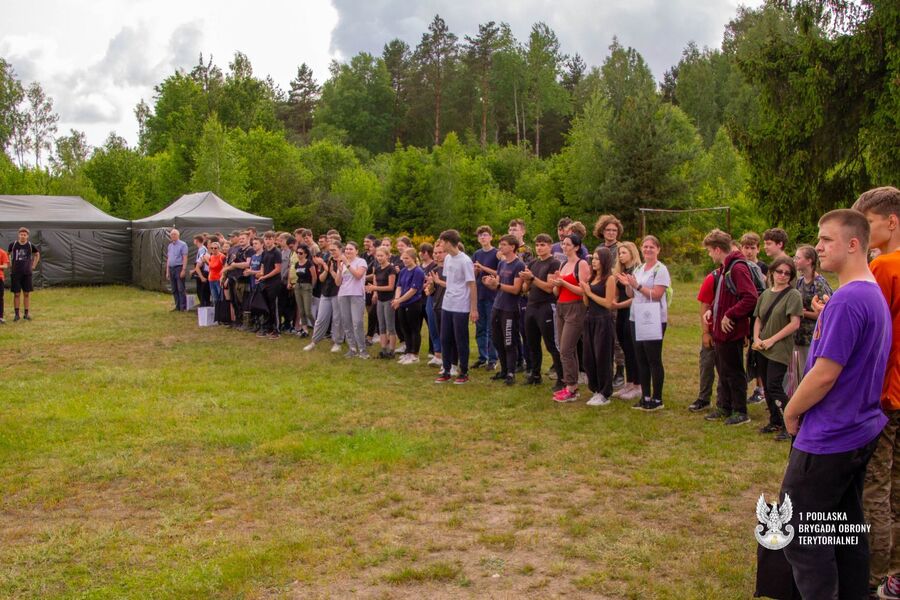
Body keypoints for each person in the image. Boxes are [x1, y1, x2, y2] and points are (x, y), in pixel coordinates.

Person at [779, 208, 889, 599]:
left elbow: (825, 374)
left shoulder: (847, 300)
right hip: (859, 429)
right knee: (842, 528)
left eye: (826, 239)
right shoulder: (870, 293)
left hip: (831, 436)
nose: (818, 246)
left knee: (801, 536)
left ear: (853, 244)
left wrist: (791, 410)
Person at [851, 186, 900, 597]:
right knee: (896, 485)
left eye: (867, 224)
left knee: (875, 487)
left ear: (891, 222)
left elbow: (870, 331)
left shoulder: (885, 266)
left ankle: (872, 575)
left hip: (885, 392)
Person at [702, 229, 758, 424]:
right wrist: (714, 311)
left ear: (718, 249)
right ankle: (724, 406)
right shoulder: (726, 267)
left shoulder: (737, 267)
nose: (709, 255)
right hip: (721, 331)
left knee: (734, 372)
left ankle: (740, 411)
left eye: (709, 250)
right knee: (723, 371)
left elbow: (751, 297)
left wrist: (730, 314)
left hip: (731, 331)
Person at [617, 236, 671, 411]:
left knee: (653, 357)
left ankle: (657, 398)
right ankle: (645, 395)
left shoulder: (660, 269)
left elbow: (656, 294)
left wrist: (637, 286)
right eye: (645, 247)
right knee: (640, 357)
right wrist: (628, 285)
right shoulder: (639, 268)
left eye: (651, 247)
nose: (648, 250)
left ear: (658, 249)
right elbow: (631, 295)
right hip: (636, 316)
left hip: (653, 318)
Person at [752, 256, 803, 441]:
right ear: (772, 272)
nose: (782, 276)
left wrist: (772, 340)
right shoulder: (765, 294)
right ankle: (774, 421)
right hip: (762, 346)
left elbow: (794, 323)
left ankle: (790, 423)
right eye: (779, 271)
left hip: (779, 348)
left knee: (774, 385)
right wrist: (757, 337)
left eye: (787, 273)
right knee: (766, 385)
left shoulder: (793, 295)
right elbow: (757, 318)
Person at [549, 234, 591, 401]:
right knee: (564, 348)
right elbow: (556, 291)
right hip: (561, 306)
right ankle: (570, 385)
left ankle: (571, 387)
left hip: (575, 307)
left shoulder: (581, 264)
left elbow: (583, 290)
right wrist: (556, 284)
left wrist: (564, 283)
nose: (564, 247)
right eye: (563, 244)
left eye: (568, 244)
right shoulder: (563, 263)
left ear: (576, 247)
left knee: (566, 348)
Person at [434, 229, 478, 384]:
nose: (439, 246)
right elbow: (450, 282)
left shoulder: (465, 260)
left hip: (461, 305)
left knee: (461, 339)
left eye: (441, 242)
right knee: (445, 338)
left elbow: (472, 285)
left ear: (447, 242)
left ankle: (463, 372)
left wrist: (473, 309)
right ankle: (446, 370)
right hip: (447, 304)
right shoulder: (447, 259)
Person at [521, 233, 563, 389]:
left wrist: (532, 278)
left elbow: (549, 288)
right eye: (537, 245)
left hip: (546, 306)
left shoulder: (554, 263)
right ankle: (535, 374)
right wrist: (526, 280)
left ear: (550, 246)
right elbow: (525, 289)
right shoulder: (533, 263)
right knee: (532, 342)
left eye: (542, 245)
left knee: (551, 343)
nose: (539, 248)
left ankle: (561, 378)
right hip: (531, 305)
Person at [483, 234, 526, 386]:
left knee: (509, 341)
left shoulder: (518, 265)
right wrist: (490, 283)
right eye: (500, 244)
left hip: (510, 309)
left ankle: (511, 372)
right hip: (497, 306)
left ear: (512, 247)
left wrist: (498, 285)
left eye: (503, 244)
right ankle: (503, 369)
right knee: (497, 340)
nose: (500, 247)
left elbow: (516, 289)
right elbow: (499, 285)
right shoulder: (502, 264)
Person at [581, 246, 617, 406]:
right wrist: (584, 291)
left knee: (602, 356)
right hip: (590, 319)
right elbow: (586, 303)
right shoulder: (591, 277)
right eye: (593, 258)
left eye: (596, 258)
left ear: (604, 260)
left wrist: (589, 293)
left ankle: (605, 392)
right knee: (589, 357)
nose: (593, 261)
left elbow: (608, 303)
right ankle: (595, 388)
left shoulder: (609, 279)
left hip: (603, 320)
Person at [594, 215, 627, 388]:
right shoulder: (599, 248)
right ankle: (605, 368)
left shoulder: (620, 248)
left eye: (614, 230)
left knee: (615, 337)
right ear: (602, 231)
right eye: (608, 230)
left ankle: (620, 371)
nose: (611, 233)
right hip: (599, 295)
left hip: (616, 295)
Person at [792, 245, 831, 378]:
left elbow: (824, 313)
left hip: (812, 337)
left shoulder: (819, 284)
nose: (795, 260)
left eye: (798, 258)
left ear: (809, 261)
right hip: (799, 336)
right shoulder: (800, 281)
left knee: (809, 374)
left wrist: (802, 313)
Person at [612, 242, 642, 401]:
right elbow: (617, 292)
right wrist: (614, 302)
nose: (621, 255)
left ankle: (638, 385)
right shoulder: (621, 271)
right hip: (621, 313)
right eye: (619, 253)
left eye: (624, 252)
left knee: (633, 349)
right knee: (625, 348)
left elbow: (636, 296)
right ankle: (629, 383)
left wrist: (617, 305)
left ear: (632, 253)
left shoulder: (637, 270)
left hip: (632, 311)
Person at [305, 241, 344, 352]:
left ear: (340, 250)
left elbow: (339, 281)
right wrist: (326, 268)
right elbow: (321, 279)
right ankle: (314, 341)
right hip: (326, 292)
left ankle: (337, 343)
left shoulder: (343, 262)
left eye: (334, 250)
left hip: (338, 293)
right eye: (330, 250)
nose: (331, 252)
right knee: (321, 318)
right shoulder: (328, 260)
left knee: (337, 319)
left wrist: (329, 270)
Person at [690, 267, 718, 413]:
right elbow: (705, 304)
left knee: (728, 369)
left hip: (731, 331)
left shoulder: (741, 274)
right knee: (707, 364)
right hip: (713, 330)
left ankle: (724, 400)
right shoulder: (712, 277)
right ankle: (704, 398)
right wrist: (706, 332)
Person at [473, 225, 500, 370]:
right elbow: (474, 275)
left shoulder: (496, 253)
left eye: (485, 235)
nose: (483, 238)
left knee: (491, 328)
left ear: (491, 237)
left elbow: (499, 272)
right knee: (480, 328)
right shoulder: (477, 253)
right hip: (479, 294)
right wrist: (476, 271)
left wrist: (483, 268)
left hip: (492, 295)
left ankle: (493, 359)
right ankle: (482, 357)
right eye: (480, 236)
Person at [393, 248, 426, 364]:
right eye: (403, 258)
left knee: (414, 329)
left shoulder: (418, 271)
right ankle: (408, 352)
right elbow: (399, 286)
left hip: (413, 304)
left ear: (413, 258)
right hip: (402, 303)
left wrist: (399, 300)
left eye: (407, 258)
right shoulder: (403, 271)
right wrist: (397, 299)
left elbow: (413, 290)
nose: (405, 261)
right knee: (405, 329)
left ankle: (414, 354)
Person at [337, 241, 369, 359]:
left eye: (351, 249)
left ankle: (362, 349)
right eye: (346, 249)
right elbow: (338, 282)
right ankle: (352, 348)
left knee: (357, 323)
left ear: (356, 251)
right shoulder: (342, 263)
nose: (348, 251)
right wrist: (340, 271)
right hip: (343, 295)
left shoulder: (361, 262)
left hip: (356, 295)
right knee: (346, 322)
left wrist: (347, 264)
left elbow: (358, 275)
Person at [367, 246, 397, 358]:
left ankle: (392, 351)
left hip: (389, 300)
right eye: (378, 256)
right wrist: (374, 292)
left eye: (381, 256)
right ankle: (384, 350)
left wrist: (375, 288)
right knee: (382, 327)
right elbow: (376, 282)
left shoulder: (391, 269)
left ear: (387, 256)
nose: (379, 258)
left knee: (390, 326)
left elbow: (390, 287)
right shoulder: (377, 269)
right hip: (380, 300)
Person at [255, 232, 283, 339]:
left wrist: (265, 276)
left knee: (274, 306)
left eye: (270, 239)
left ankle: (276, 330)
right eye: (266, 239)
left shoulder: (276, 252)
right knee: (266, 306)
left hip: (274, 283)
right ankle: (268, 328)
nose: (267, 241)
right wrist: (260, 274)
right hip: (265, 282)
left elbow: (277, 269)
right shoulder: (265, 252)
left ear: (274, 240)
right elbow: (262, 265)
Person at [289, 243, 316, 337]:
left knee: (308, 311)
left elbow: (314, 276)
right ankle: (305, 330)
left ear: (305, 254)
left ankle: (316, 328)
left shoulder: (309, 263)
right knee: (301, 310)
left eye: (301, 253)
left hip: (307, 287)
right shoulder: (297, 264)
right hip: (298, 286)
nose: (298, 254)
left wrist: (311, 287)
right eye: (297, 253)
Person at [165, 228, 188, 312]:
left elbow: (185, 258)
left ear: (178, 235)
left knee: (181, 288)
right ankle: (177, 306)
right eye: (171, 235)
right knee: (174, 288)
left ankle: (183, 307)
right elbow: (168, 259)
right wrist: (167, 271)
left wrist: (183, 269)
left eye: (174, 234)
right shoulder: (170, 245)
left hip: (179, 268)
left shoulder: (183, 245)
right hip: (171, 268)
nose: (173, 236)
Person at [191, 234, 211, 307]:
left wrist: (195, 271)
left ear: (196, 240)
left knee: (202, 291)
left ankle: (204, 305)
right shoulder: (200, 249)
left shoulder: (202, 249)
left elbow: (201, 262)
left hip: (203, 272)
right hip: (200, 270)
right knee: (201, 291)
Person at [204, 240, 225, 305]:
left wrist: (223, 277)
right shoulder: (211, 257)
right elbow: (210, 267)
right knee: (214, 298)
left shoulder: (222, 256)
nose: (213, 249)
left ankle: (221, 312)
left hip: (219, 279)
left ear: (219, 248)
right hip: (211, 279)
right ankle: (216, 313)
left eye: (215, 248)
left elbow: (225, 268)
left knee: (220, 297)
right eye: (212, 248)